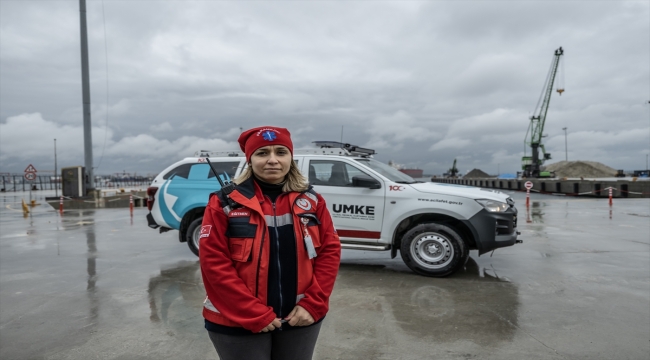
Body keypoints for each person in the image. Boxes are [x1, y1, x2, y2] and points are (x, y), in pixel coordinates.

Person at [199, 126, 341, 360]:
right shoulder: (224, 203)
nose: (273, 160)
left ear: (290, 159)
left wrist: (312, 305)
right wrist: (252, 313)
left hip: (299, 318)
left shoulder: (312, 201)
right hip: (236, 321)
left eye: (280, 152)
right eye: (263, 153)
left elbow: (329, 253)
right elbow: (214, 264)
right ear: (250, 160)